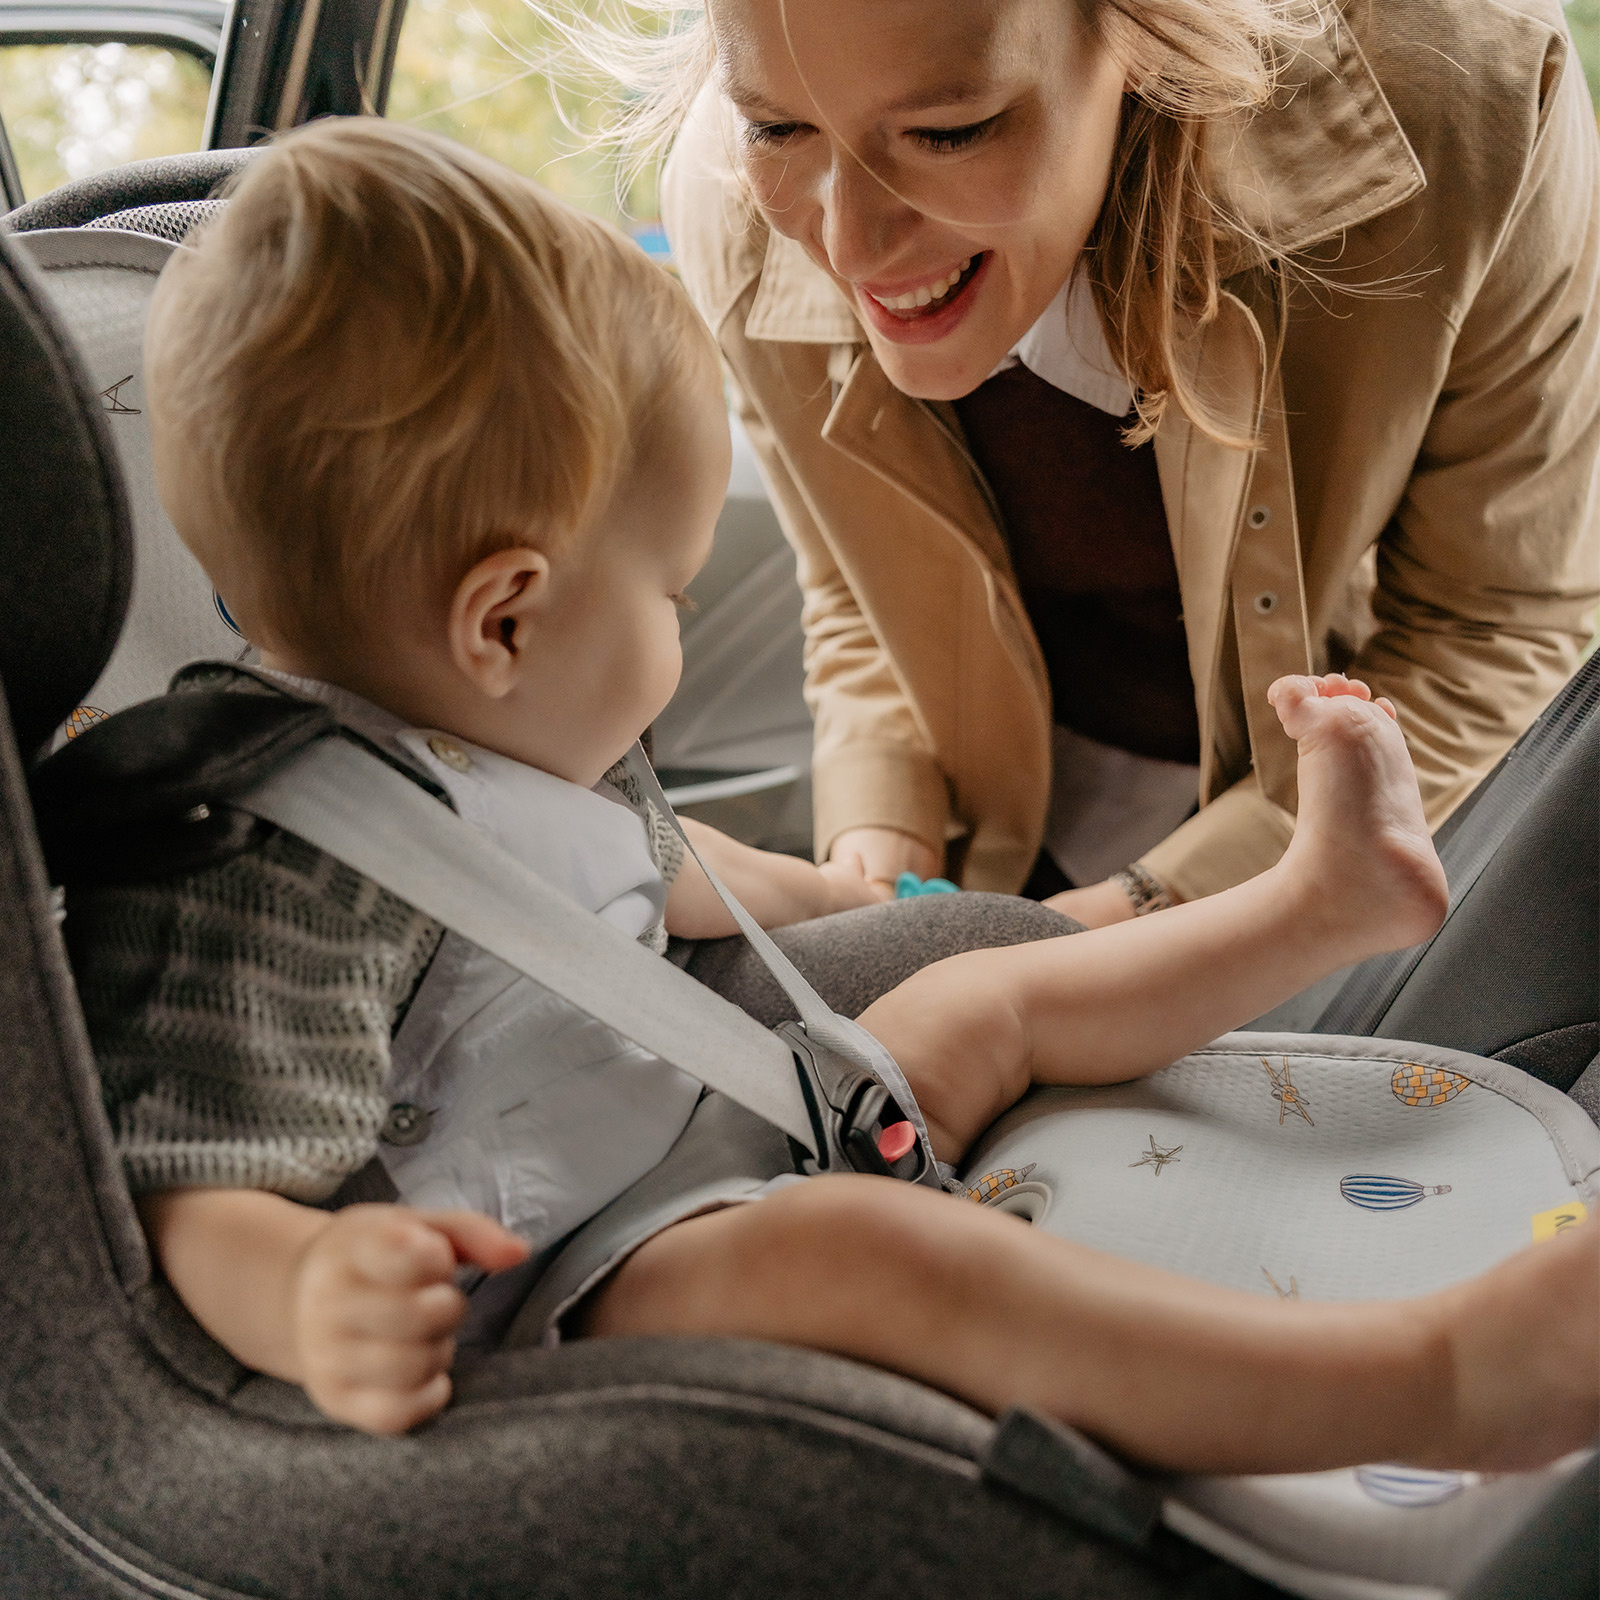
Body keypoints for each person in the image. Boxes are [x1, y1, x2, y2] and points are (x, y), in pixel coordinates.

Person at [81, 119, 1596, 1476]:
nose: (678, 626)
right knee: (869, 1259)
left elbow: (680, 868)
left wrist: (846, 896)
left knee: (988, 995)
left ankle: (1319, 907)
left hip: (710, 1123)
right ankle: (1436, 1384)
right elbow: (189, 1183)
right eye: (671, 593)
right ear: (505, 620)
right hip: (566, 1286)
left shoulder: (506, 750)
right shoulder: (268, 867)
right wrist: (309, 1291)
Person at [629, 0, 1600, 925]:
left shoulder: (1469, 96)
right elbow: (861, 584)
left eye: (947, 132)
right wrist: (877, 867)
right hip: (1026, 828)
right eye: (776, 128)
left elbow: (1491, 625)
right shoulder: (731, 207)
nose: (847, 246)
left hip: (1378, 819)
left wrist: (1127, 925)